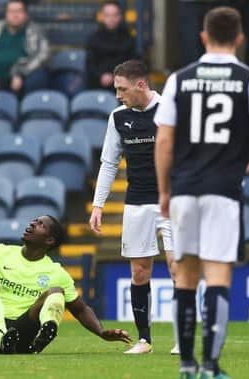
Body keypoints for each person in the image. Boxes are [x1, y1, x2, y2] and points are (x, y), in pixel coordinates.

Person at [155, 6, 249, 378]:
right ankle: (211, 366)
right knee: (217, 276)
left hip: (183, 189)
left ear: (203, 36)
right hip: (223, 190)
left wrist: (165, 190)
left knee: (184, 277)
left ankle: (186, 366)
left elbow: (164, 140)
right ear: (241, 38)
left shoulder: (178, 79)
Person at [88, 60, 177, 355]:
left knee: (179, 269)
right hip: (137, 202)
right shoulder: (118, 118)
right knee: (140, 272)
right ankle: (144, 340)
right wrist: (98, 205)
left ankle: (183, 339)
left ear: (141, 85)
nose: (117, 95)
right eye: (116, 89)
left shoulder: (171, 110)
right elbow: (109, 163)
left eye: (121, 89)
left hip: (172, 202)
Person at [0, 215, 132, 354]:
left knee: (56, 291)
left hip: (19, 341)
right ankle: (2, 337)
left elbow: (80, 309)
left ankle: (46, 331)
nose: (32, 224)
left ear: (50, 240)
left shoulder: (56, 272)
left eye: (40, 225)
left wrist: (101, 332)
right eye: (34, 221)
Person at [0, 0, 50, 95]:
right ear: (6, 14)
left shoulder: (34, 30)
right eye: (11, 11)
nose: (15, 15)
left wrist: (20, 73)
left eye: (19, 11)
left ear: (26, 14)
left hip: (22, 74)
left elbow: (44, 55)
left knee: (37, 78)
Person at [85, 1, 136, 90]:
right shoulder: (94, 38)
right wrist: (101, 75)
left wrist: (114, 76)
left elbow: (130, 63)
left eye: (115, 15)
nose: (111, 19)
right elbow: (90, 63)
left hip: (122, 84)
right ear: (102, 17)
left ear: (120, 17)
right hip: (97, 83)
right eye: (107, 15)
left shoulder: (128, 38)